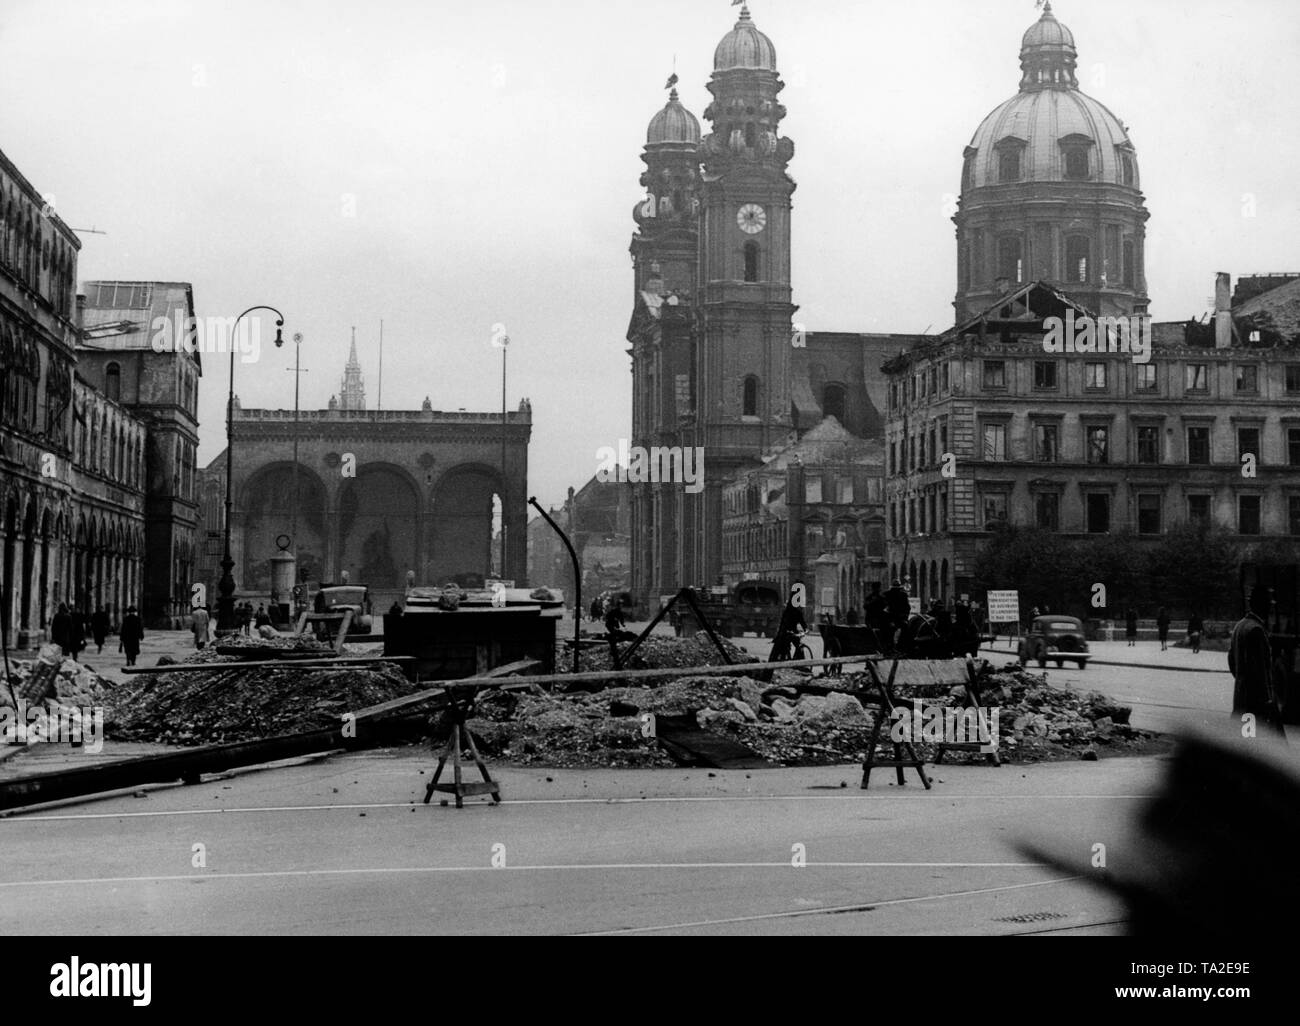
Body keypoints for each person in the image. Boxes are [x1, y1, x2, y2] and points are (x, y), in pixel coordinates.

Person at [1228, 585, 1285, 737]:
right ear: (1262, 605)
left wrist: (1242, 679)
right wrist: (1267, 701)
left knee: (1243, 740)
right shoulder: (1257, 630)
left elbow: (1231, 661)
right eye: (1267, 604)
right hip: (1256, 703)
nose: (1270, 609)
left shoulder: (1239, 626)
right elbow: (1260, 671)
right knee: (1256, 745)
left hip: (1241, 697)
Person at [770, 584, 809, 663]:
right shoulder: (794, 610)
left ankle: (792, 658)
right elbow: (801, 621)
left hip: (788, 630)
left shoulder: (790, 609)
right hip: (789, 631)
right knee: (793, 644)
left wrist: (805, 628)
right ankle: (792, 659)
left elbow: (800, 620)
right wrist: (805, 629)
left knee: (793, 644)